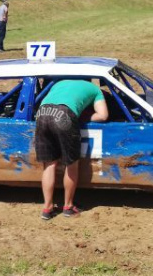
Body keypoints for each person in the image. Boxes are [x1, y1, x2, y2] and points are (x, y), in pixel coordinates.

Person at [35, 80, 108, 220]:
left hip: (42, 113)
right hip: (65, 114)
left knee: (49, 164)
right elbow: (103, 115)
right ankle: (68, 206)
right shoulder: (95, 90)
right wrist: (82, 116)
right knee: (71, 164)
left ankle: (47, 208)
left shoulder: (59, 83)